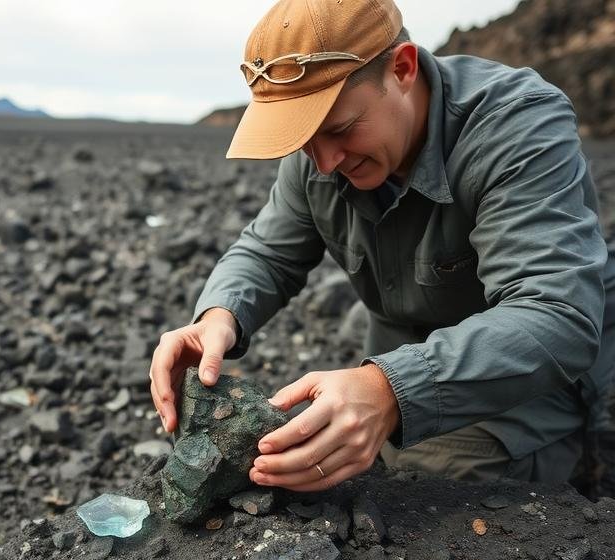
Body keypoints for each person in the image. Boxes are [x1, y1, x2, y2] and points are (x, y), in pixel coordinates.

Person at [149, 0, 615, 492]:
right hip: (398, 365)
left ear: (403, 68)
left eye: (341, 129)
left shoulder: (515, 128)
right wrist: (218, 316)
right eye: (304, 140)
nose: (324, 162)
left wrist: (388, 389)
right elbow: (267, 250)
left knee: (417, 496)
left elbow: (558, 314)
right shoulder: (320, 149)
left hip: (525, 386)